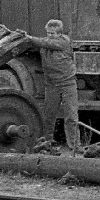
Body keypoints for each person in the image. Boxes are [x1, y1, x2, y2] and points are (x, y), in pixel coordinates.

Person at [22, 18, 80, 153]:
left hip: (67, 83)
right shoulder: (46, 42)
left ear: (59, 34)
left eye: (52, 33)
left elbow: (44, 42)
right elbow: (43, 42)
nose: (49, 35)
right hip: (52, 84)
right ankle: (46, 142)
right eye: (48, 33)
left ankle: (74, 146)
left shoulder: (63, 42)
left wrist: (29, 38)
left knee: (71, 116)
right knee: (48, 115)